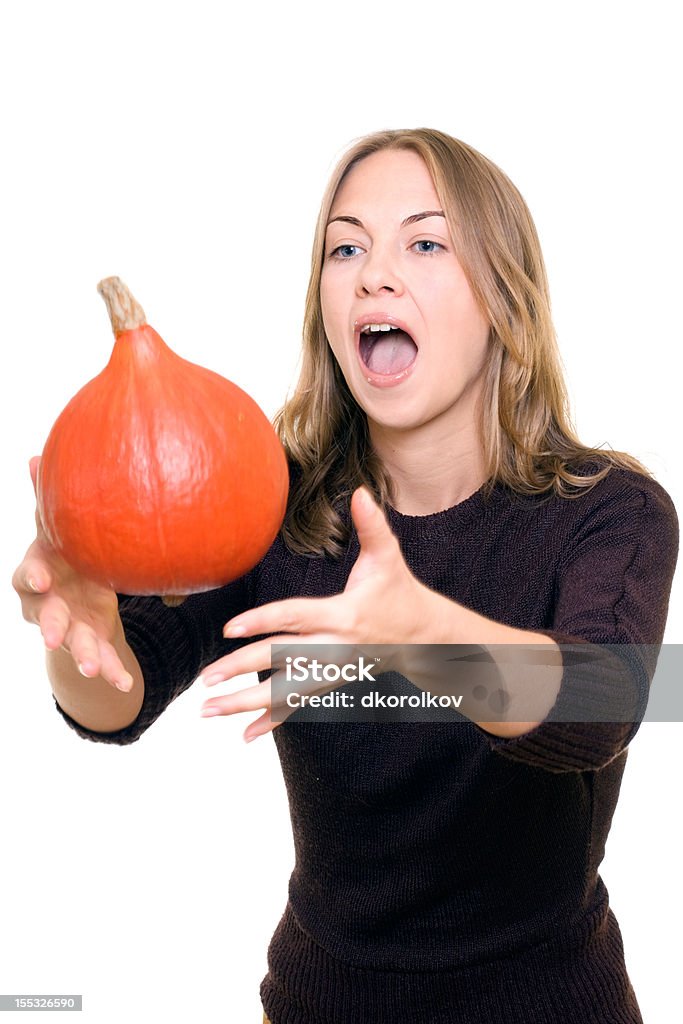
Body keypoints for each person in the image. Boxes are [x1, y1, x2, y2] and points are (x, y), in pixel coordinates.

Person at [14, 128, 678, 1024]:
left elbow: (601, 703)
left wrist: (419, 634)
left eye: (425, 242)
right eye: (346, 246)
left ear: (503, 295)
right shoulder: (267, 498)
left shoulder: (611, 510)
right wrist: (83, 630)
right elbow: (117, 701)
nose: (374, 274)